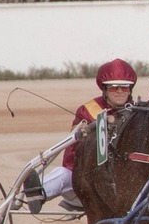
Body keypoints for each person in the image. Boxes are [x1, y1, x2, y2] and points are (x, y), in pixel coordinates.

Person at [24, 59, 136, 214]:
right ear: (104, 89)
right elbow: (73, 153)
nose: (119, 91)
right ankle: (38, 194)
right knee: (63, 174)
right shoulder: (88, 111)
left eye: (124, 87)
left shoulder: (138, 113)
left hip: (123, 186)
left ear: (130, 89)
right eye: (113, 87)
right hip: (87, 184)